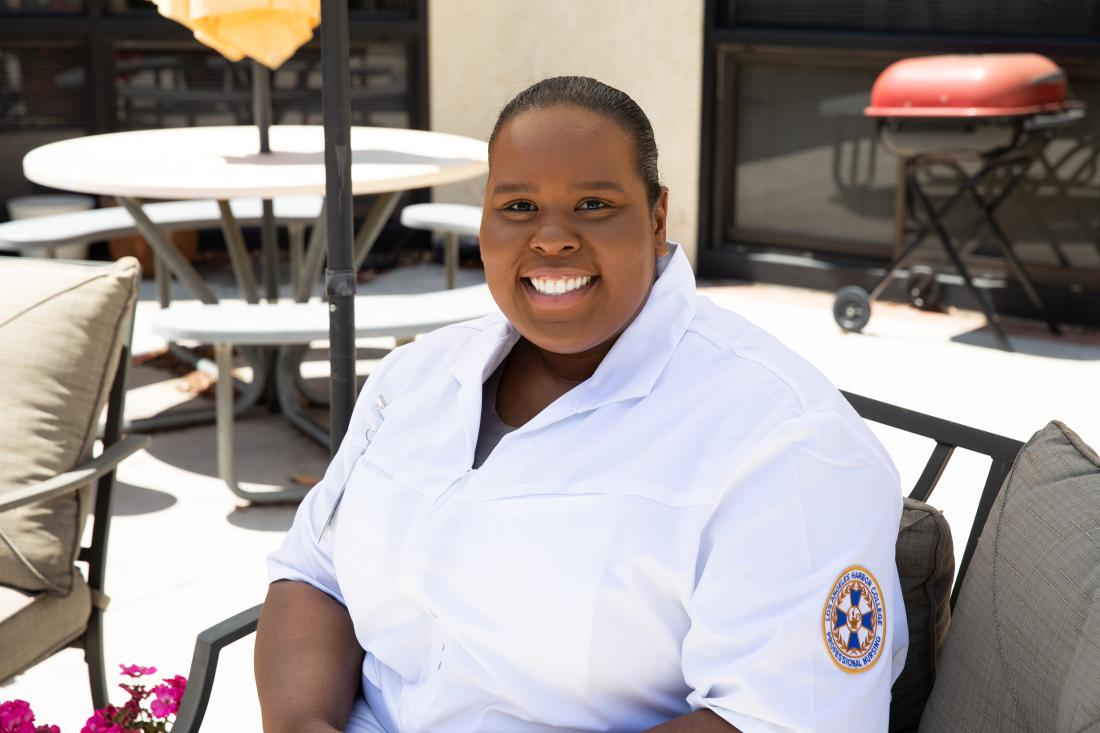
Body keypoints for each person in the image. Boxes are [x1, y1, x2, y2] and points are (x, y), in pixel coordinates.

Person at [257, 76, 907, 733]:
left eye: (594, 203)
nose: (552, 238)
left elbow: (781, 721)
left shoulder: (785, 441)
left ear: (657, 219)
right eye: (517, 206)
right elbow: (314, 575)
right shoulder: (415, 378)